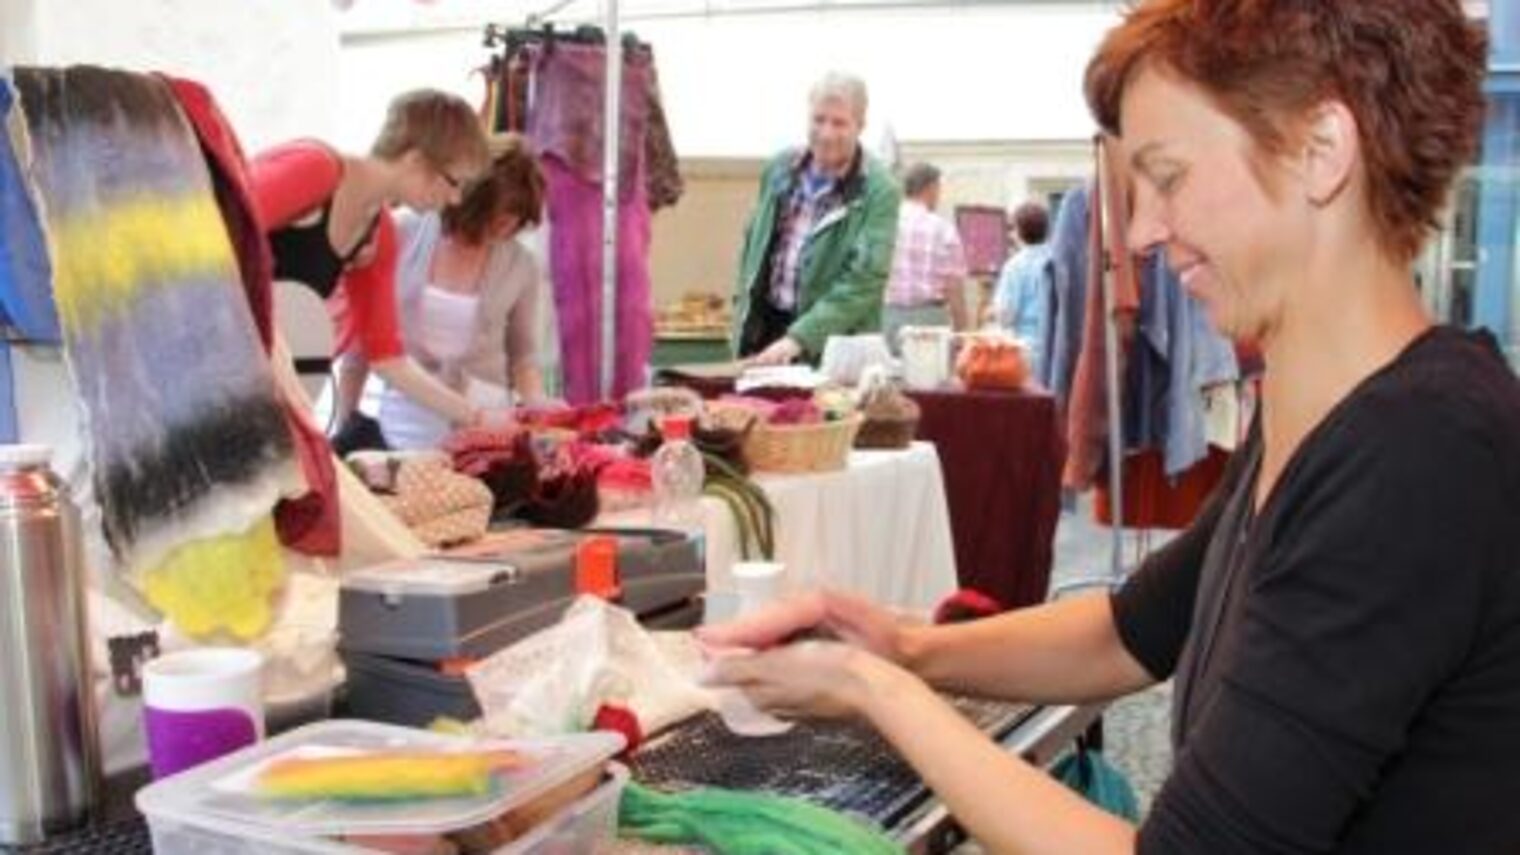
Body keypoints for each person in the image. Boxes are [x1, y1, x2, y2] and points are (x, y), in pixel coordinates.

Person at [702, 2, 1520, 852]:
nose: (1142, 231)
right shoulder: (1323, 413)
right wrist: (903, 643)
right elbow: (1131, 629)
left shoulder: (1422, 456)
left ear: (1320, 152)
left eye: (1166, 178)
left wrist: (875, 688)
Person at [251, 89, 498, 438]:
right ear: (415, 161)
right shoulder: (315, 168)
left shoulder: (378, 233)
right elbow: (209, 233)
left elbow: (387, 358)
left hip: (256, 384)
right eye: (455, 181)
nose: (456, 198)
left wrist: (477, 417)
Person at [375, 133, 549, 450]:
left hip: (487, 427)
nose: (506, 228)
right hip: (404, 421)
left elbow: (523, 355)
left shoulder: (523, 265)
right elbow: (369, 344)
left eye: (516, 220)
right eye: (499, 216)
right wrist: (347, 417)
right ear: (470, 198)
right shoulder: (402, 231)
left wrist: (537, 403)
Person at [733, 71, 901, 366]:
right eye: (818, 119)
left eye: (839, 123)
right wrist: (740, 315)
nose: (826, 133)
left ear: (860, 125)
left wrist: (799, 338)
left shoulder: (879, 190)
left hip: (833, 345)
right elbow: (753, 248)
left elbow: (864, 282)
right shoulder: (778, 168)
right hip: (766, 332)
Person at [882, 162, 969, 348]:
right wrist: (962, 337)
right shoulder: (943, 229)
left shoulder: (884, 225)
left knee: (890, 375)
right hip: (931, 321)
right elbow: (955, 290)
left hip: (888, 317)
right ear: (931, 188)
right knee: (934, 376)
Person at [991, 200, 1053, 379]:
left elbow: (1006, 316)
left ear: (1017, 231)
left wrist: (991, 311)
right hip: (1056, 349)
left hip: (1026, 351)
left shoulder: (1015, 266)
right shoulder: (1058, 260)